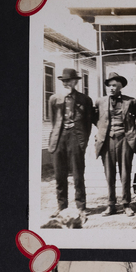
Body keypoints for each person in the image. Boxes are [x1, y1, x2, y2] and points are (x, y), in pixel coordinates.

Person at [47, 68, 94, 217]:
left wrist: (82, 141)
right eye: (64, 81)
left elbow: (88, 123)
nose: (66, 83)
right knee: (59, 174)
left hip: (76, 136)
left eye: (69, 81)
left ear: (75, 82)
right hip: (60, 136)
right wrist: (57, 135)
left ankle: (81, 206)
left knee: (78, 173)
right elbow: (54, 120)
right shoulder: (54, 99)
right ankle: (62, 206)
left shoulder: (85, 99)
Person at [94, 72, 136, 217]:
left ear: (120, 87)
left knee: (125, 173)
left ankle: (126, 204)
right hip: (107, 140)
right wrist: (103, 131)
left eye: (114, 85)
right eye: (109, 86)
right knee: (109, 173)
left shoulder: (131, 101)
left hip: (125, 139)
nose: (111, 88)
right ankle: (111, 205)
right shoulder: (100, 102)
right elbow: (96, 119)